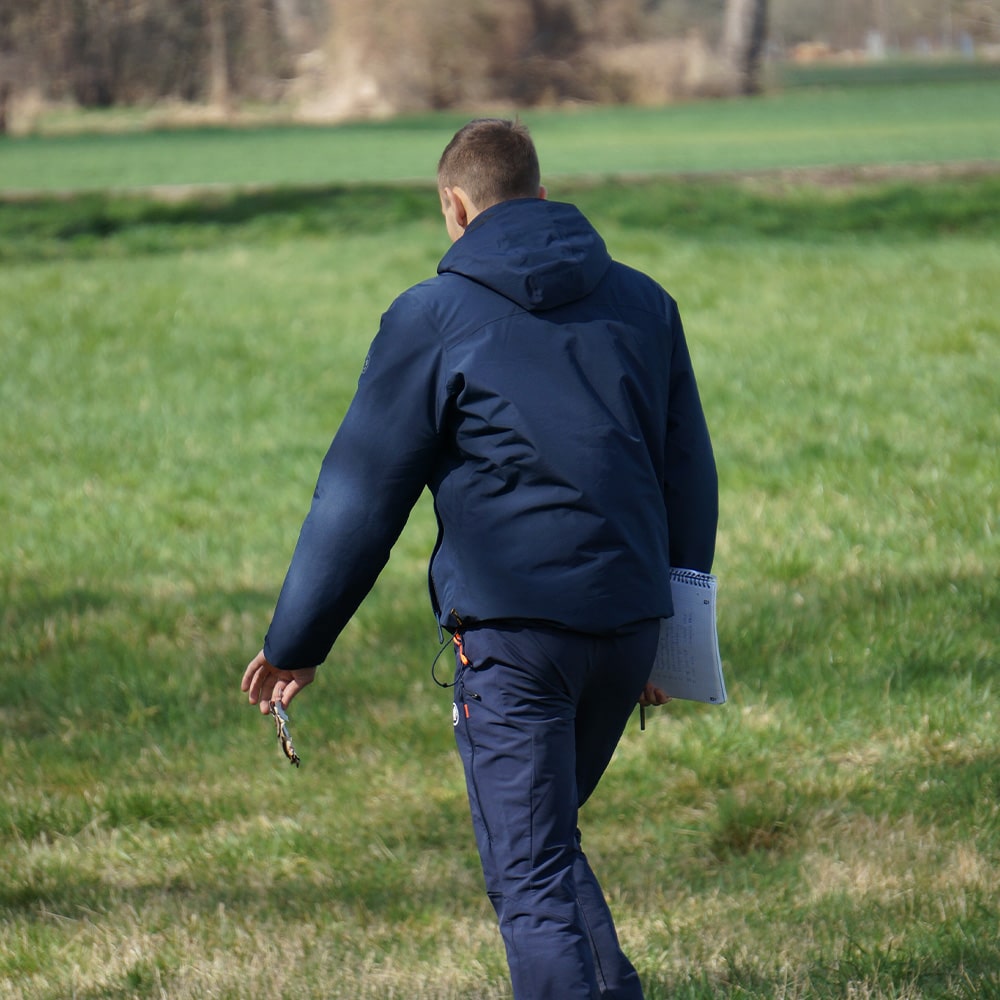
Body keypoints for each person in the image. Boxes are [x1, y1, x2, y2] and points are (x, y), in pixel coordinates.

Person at [241, 118, 718, 1000]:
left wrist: (295, 641)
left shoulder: (431, 316)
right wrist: (675, 640)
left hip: (512, 641)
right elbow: (688, 476)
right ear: (540, 195)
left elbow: (357, 497)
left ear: (455, 207)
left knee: (529, 875)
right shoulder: (647, 304)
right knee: (542, 844)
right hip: (626, 628)